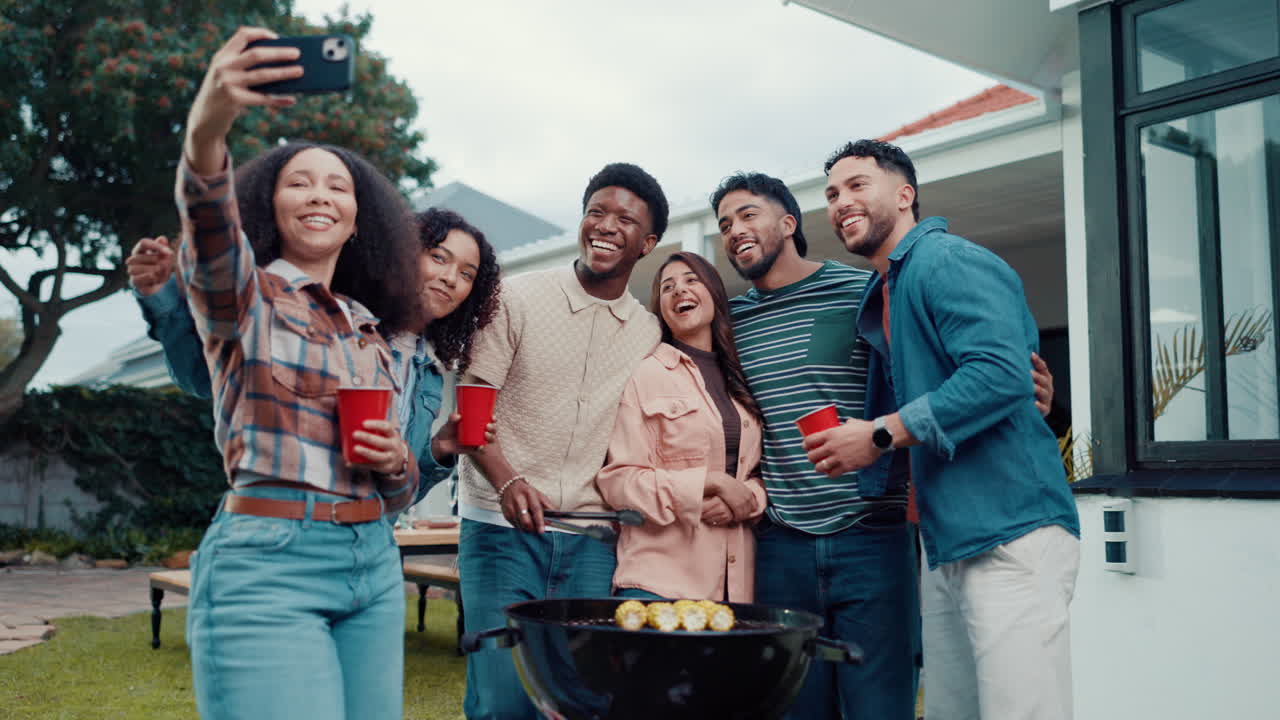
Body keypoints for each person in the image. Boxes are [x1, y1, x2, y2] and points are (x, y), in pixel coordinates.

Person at [175, 28, 421, 720]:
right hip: (267, 565)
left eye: (338, 187)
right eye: (299, 182)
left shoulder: (370, 331)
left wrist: (397, 460)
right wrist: (207, 129)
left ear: (354, 222)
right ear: (270, 206)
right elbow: (209, 229)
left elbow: (400, 491)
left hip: (372, 563)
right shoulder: (244, 299)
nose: (320, 195)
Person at [811, 139, 1080, 720]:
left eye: (858, 185)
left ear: (904, 195)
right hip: (944, 539)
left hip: (1009, 530)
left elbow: (1000, 373)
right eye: (832, 193)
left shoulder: (947, 260)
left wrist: (878, 435)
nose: (841, 202)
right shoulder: (884, 291)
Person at [456, 162, 667, 719]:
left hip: (592, 543)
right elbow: (470, 408)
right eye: (596, 211)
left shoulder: (647, 332)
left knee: (580, 698)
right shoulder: (515, 297)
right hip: (500, 532)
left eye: (625, 219)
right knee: (504, 697)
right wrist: (508, 480)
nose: (606, 225)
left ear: (647, 243)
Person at [126, 212, 501, 506]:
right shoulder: (335, 321)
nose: (451, 278)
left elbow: (400, 492)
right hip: (294, 536)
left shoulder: (429, 375)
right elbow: (201, 376)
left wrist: (439, 449)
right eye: (438, 257)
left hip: (370, 548)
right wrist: (162, 296)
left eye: (466, 274)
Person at [596, 250, 765, 602]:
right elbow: (621, 482)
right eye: (667, 287)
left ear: (715, 294)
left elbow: (760, 472)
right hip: (659, 584)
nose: (679, 291)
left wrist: (747, 499)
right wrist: (710, 483)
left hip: (734, 588)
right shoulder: (645, 375)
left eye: (691, 280)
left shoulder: (742, 376)